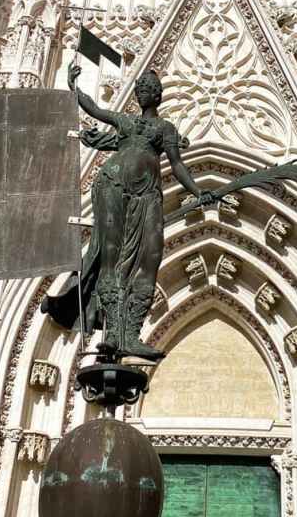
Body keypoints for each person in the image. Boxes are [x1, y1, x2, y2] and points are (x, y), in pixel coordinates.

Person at [41, 62, 214, 360]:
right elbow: (95, 109)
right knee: (110, 257)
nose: (142, 93)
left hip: (147, 195)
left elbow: (177, 164)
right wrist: (74, 87)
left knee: (151, 257)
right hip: (113, 185)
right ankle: (113, 333)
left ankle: (130, 335)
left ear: (157, 95)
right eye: (139, 89)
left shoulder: (165, 128)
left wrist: (199, 192)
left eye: (148, 89)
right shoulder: (125, 121)